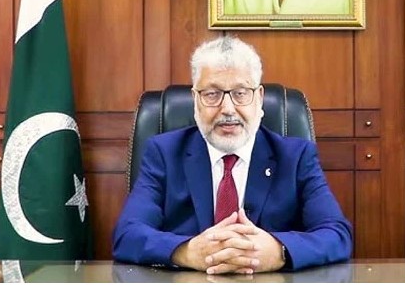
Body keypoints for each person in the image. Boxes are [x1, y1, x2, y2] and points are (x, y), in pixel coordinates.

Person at [112, 36, 352, 274]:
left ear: (259, 98)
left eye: (240, 93)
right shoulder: (164, 153)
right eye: (212, 94)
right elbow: (127, 235)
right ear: (195, 100)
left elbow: (337, 234)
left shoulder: (296, 157)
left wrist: (279, 251)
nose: (227, 109)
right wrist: (187, 252)